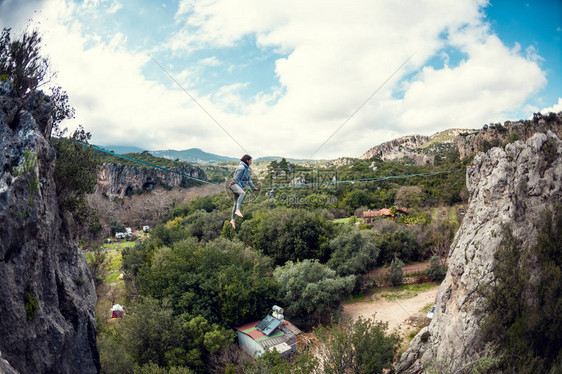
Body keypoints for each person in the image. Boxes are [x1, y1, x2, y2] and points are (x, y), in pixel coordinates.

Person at [229, 154, 258, 229]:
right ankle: (238, 210)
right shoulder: (241, 167)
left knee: (235, 204)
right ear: (247, 160)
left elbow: (249, 180)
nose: (251, 162)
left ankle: (233, 220)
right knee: (243, 193)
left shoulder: (247, 169)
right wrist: (239, 188)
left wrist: (253, 188)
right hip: (234, 185)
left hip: (239, 187)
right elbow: (235, 179)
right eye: (250, 160)